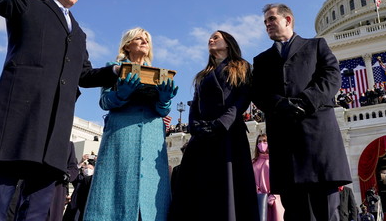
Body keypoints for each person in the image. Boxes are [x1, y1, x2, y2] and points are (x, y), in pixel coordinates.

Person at [0, 0, 119, 221]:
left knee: (38, 208)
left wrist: (115, 71)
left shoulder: (79, 33)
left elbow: (85, 75)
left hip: (55, 130)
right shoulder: (27, 4)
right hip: (19, 120)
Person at [251, 3, 352, 220]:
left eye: (271, 19)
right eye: (266, 21)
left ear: (288, 20)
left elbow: (332, 77)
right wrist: (279, 104)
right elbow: (258, 93)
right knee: (295, 212)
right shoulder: (261, 61)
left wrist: (305, 101)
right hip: (286, 147)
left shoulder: (316, 46)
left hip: (318, 142)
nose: (267, 25)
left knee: (326, 211)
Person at [84, 27, 177, 221]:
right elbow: (104, 102)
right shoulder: (114, 68)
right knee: (114, 192)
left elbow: (163, 111)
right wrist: (121, 94)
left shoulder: (158, 74)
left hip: (152, 139)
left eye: (147, 39)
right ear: (127, 45)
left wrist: (165, 99)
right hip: (122, 137)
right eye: (139, 38)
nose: (144, 42)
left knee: (152, 200)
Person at [170, 30, 259, 221]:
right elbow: (195, 102)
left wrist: (221, 124)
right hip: (201, 137)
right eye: (210, 37)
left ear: (228, 43)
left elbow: (242, 99)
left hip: (228, 134)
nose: (210, 39)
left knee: (228, 189)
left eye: (216, 37)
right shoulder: (203, 75)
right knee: (195, 190)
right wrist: (194, 126)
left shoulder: (242, 67)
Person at [252, 134, 284, 221]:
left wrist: (273, 196)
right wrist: (259, 194)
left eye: (264, 141)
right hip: (259, 201)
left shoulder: (275, 161)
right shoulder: (253, 163)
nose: (262, 143)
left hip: (274, 201)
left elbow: (280, 180)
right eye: (259, 141)